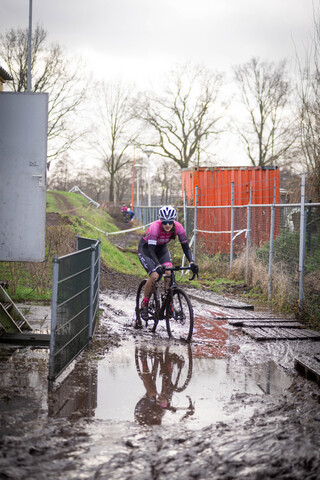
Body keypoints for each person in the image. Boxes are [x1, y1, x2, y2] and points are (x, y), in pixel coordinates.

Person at [138, 205, 198, 320]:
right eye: (164, 222)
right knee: (155, 275)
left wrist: (191, 262)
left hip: (161, 249)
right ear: (161, 221)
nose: (167, 225)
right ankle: (144, 304)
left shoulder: (179, 228)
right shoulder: (155, 227)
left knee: (169, 273)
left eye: (170, 222)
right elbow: (151, 250)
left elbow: (186, 247)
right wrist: (158, 265)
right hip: (147, 249)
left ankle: (168, 304)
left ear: (173, 221)